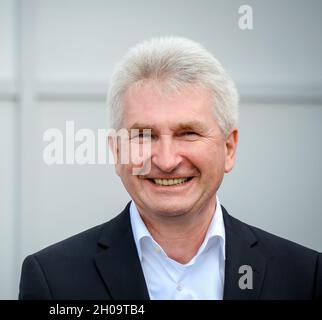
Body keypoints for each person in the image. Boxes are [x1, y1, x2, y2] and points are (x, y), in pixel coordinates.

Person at [19, 36, 321, 300]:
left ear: (229, 148)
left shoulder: (306, 277)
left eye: (188, 133)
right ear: (117, 152)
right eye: (143, 135)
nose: (166, 160)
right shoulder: (53, 281)